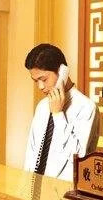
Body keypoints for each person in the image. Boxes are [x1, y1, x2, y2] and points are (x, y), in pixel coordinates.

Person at [23, 44, 99, 181]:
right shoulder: (42, 107)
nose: (40, 87)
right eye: (36, 81)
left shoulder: (87, 108)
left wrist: (58, 115)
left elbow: (77, 156)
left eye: (44, 79)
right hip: (35, 186)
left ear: (62, 71)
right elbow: (31, 154)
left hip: (65, 189)